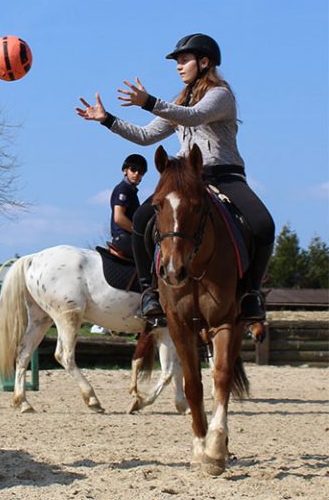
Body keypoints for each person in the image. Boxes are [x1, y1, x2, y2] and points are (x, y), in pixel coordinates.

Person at [76, 33, 274, 322]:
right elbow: (146, 136)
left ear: (204, 62)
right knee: (143, 219)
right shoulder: (178, 101)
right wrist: (108, 119)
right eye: (177, 62)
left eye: (184, 60)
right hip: (187, 179)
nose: (179, 66)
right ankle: (149, 294)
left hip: (224, 176)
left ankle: (251, 294)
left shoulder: (221, 95)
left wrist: (149, 102)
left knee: (263, 224)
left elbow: (193, 116)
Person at [108, 153, 147, 259]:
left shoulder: (131, 191)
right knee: (147, 258)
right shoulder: (123, 189)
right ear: (125, 170)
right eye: (133, 169)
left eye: (141, 171)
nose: (137, 173)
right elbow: (119, 217)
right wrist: (139, 232)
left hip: (128, 236)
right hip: (123, 237)